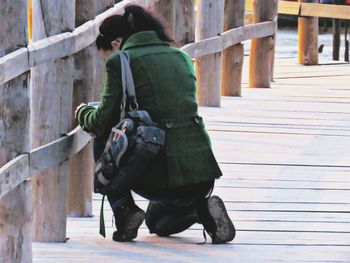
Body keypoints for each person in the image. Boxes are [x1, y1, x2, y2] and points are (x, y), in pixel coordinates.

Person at [75, 4, 235, 244]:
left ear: (117, 43)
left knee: (104, 136)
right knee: (157, 224)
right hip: (201, 173)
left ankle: (124, 209)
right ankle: (203, 210)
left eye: (106, 53)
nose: (107, 58)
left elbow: (100, 122)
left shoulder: (120, 61)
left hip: (159, 175)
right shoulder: (181, 56)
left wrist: (83, 112)